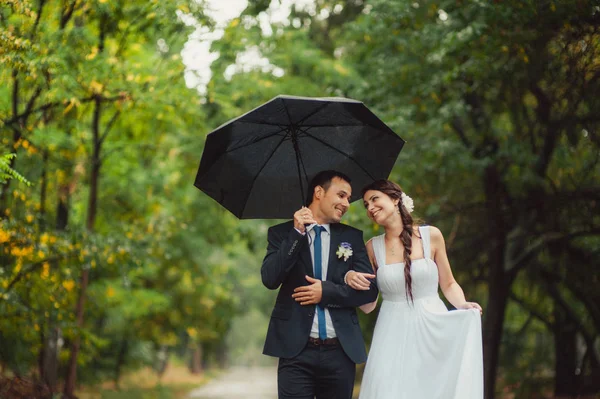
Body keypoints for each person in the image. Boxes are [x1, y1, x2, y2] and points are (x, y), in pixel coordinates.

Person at [345, 179, 484, 399]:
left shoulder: (432, 236)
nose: (370, 207)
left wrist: (462, 304)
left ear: (395, 198)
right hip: (391, 333)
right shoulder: (372, 247)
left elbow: (448, 284)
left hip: (432, 326)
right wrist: (350, 277)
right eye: (365, 204)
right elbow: (368, 305)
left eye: (374, 199)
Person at [261, 170, 379, 399]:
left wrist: (326, 291)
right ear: (318, 192)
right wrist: (297, 233)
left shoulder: (352, 237)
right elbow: (270, 278)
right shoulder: (281, 234)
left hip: (340, 352)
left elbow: (370, 292)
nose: (347, 203)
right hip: (295, 351)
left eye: (348, 198)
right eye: (342, 195)